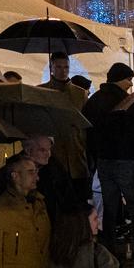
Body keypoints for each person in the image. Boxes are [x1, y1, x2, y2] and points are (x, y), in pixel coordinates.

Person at [83, 62, 134, 262]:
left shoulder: (94, 101)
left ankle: (108, 252)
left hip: (104, 161)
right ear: (120, 79)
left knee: (110, 210)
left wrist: (95, 156)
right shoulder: (126, 102)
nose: (130, 84)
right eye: (129, 80)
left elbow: (87, 131)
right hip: (127, 161)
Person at [40, 51, 91, 193]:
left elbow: (86, 124)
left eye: (66, 67)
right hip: (52, 155)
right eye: (58, 67)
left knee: (79, 200)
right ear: (51, 68)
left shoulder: (80, 94)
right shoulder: (41, 91)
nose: (63, 71)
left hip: (76, 154)